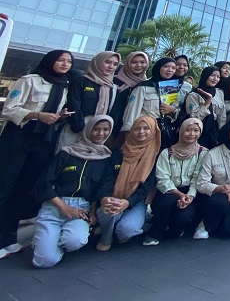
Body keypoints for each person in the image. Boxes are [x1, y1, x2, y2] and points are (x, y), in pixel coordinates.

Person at [0, 49, 74, 259]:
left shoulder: (64, 86)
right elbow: (9, 109)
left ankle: (9, 237)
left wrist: (59, 116)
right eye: (61, 60)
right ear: (50, 61)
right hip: (19, 136)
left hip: (43, 140)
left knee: (23, 189)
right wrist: (36, 114)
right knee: (4, 186)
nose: (65, 64)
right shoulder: (30, 80)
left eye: (69, 61)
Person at [31, 115, 114, 267]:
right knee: (43, 262)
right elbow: (43, 183)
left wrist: (94, 212)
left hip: (81, 210)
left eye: (105, 130)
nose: (100, 133)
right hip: (55, 205)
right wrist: (64, 207)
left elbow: (102, 189)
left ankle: (48, 241)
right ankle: (45, 242)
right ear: (88, 130)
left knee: (74, 241)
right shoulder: (67, 153)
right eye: (96, 129)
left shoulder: (106, 158)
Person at [96, 115, 160, 251]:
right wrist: (105, 198)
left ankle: (116, 232)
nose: (141, 132)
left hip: (136, 201)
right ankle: (106, 238)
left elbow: (147, 187)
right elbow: (107, 180)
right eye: (137, 128)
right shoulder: (119, 153)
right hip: (114, 196)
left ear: (153, 131)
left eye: (146, 128)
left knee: (126, 230)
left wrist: (128, 202)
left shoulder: (154, 156)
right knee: (110, 210)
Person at [143, 118, 207, 246]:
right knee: (166, 202)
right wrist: (178, 194)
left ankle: (175, 231)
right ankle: (155, 233)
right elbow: (162, 179)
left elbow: (198, 178)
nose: (192, 134)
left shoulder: (203, 153)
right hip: (169, 190)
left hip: (190, 192)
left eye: (196, 130)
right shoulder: (167, 153)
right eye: (188, 130)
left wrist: (189, 196)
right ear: (181, 131)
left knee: (183, 217)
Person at [195, 118, 230, 239]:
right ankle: (205, 225)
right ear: (228, 130)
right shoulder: (212, 154)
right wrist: (223, 189)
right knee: (220, 202)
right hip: (218, 197)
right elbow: (201, 183)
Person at [62, 51, 120, 150]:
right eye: (107, 62)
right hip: (76, 129)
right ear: (98, 62)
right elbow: (73, 105)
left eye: (115, 64)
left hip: (99, 133)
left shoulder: (113, 88)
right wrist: (81, 129)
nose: (111, 67)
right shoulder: (81, 81)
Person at [121, 57, 180, 147]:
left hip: (164, 134)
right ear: (158, 67)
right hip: (144, 133)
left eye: (173, 68)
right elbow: (132, 111)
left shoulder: (171, 87)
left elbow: (173, 113)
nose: (170, 70)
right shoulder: (143, 86)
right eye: (166, 66)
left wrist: (173, 111)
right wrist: (128, 134)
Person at [184, 66, 224, 148]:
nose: (215, 79)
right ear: (206, 75)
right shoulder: (194, 95)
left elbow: (222, 116)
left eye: (218, 77)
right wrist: (207, 102)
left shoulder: (219, 93)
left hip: (214, 133)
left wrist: (222, 133)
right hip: (199, 132)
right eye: (212, 75)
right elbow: (194, 117)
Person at [109, 51, 149, 134]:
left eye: (142, 62)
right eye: (134, 62)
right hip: (110, 126)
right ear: (127, 64)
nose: (138, 65)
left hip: (135, 130)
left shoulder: (147, 85)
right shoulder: (113, 81)